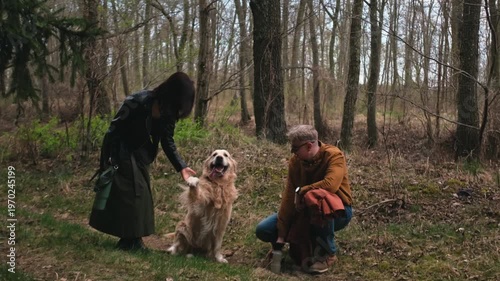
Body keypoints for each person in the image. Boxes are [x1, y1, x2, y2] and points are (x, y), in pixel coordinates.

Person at [89, 72, 197, 251]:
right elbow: (113, 129)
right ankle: (129, 241)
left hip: (140, 153)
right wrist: (107, 160)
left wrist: (182, 167)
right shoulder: (138, 100)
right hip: (120, 150)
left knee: (142, 194)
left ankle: (132, 240)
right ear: (173, 93)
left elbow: (167, 141)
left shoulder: (168, 112)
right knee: (132, 193)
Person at [255, 125, 353, 274]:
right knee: (264, 230)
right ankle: (302, 245)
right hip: (305, 211)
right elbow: (289, 197)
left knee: (318, 198)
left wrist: (302, 191)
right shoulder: (296, 162)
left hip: (337, 212)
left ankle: (328, 254)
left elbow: (330, 185)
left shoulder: (334, 156)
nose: (293, 152)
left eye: (295, 148)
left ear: (308, 146)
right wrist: (281, 235)